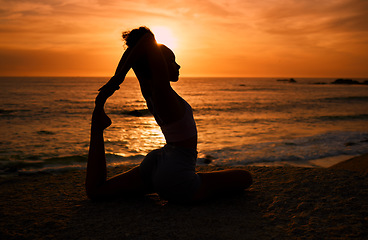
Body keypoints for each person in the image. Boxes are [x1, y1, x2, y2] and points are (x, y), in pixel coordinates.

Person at [85, 26, 252, 203]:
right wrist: (117, 79)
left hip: (157, 163)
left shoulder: (148, 90)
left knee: (97, 191)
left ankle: (96, 129)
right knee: (245, 177)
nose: (178, 65)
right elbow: (148, 40)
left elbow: (136, 54)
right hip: (175, 177)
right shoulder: (162, 92)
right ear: (160, 66)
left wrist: (114, 82)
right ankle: (187, 179)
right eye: (172, 61)